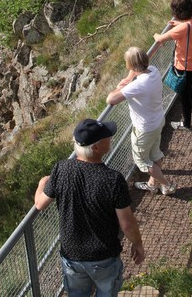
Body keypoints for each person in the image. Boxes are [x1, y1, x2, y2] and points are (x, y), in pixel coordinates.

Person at [34, 118, 145, 297]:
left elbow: (40, 203)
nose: (111, 138)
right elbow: (127, 224)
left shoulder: (61, 169)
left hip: (71, 255)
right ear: (95, 148)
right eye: (107, 137)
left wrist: (42, 183)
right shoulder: (113, 180)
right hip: (104, 256)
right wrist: (137, 243)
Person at [106, 47, 176, 196]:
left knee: (143, 162)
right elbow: (138, 69)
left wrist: (120, 86)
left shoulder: (137, 85)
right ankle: (152, 184)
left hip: (144, 129)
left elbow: (110, 99)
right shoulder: (154, 71)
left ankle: (167, 185)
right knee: (155, 153)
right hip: (158, 121)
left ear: (130, 65)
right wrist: (129, 78)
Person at [153, 0, 192, 131]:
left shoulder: (183, 29)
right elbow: (189, 26)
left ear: (177, 12)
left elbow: (159, 38)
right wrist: (180, 24)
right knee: (189, 91)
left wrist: (155, 35)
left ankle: (186, 124)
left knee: (184, 96)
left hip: (184, 68)